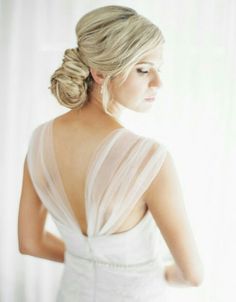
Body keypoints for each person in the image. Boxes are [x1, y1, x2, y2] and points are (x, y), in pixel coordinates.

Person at [18, 5, 204, 301]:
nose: (158, 83)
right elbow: (192, 275)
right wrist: (154, 273)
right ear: (101, 72)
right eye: (143, 69)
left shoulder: (39, 139)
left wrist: (88, 262)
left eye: (159, 69)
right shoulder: (149, 158)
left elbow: (30, 242)